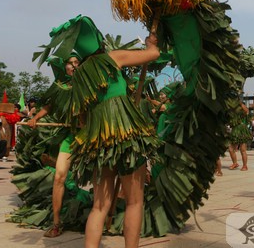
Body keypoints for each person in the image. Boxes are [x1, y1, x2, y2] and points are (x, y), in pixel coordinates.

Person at [64, 28, 161, 248]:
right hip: (128, 140)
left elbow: (81, 120)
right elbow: (153, 55)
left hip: (100, 145)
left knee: (99, 207)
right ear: (99, 41)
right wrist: (151, 43)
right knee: (134, 202)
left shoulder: (79, 77)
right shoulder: (113, 57)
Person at [27, 55, 80, 238]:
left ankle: (106, 216)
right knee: (59, 177)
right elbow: (48, 107)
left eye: (77, 63)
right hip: (70, 137)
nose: (73, 66)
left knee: (101, 177)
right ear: (64, 66)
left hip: (92, 135)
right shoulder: (59, 86)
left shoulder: (90, 84)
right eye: (70, 63)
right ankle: (57, 223)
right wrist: (35, 118)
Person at [227, 103, 251, 171]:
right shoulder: (230, 112)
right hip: (234, 130)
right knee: (231, 149)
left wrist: (240, 103)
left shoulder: (241, 112)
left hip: (241, 130)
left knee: (242, 149)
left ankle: (245, 166)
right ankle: (235, 163)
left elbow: (247, 111)